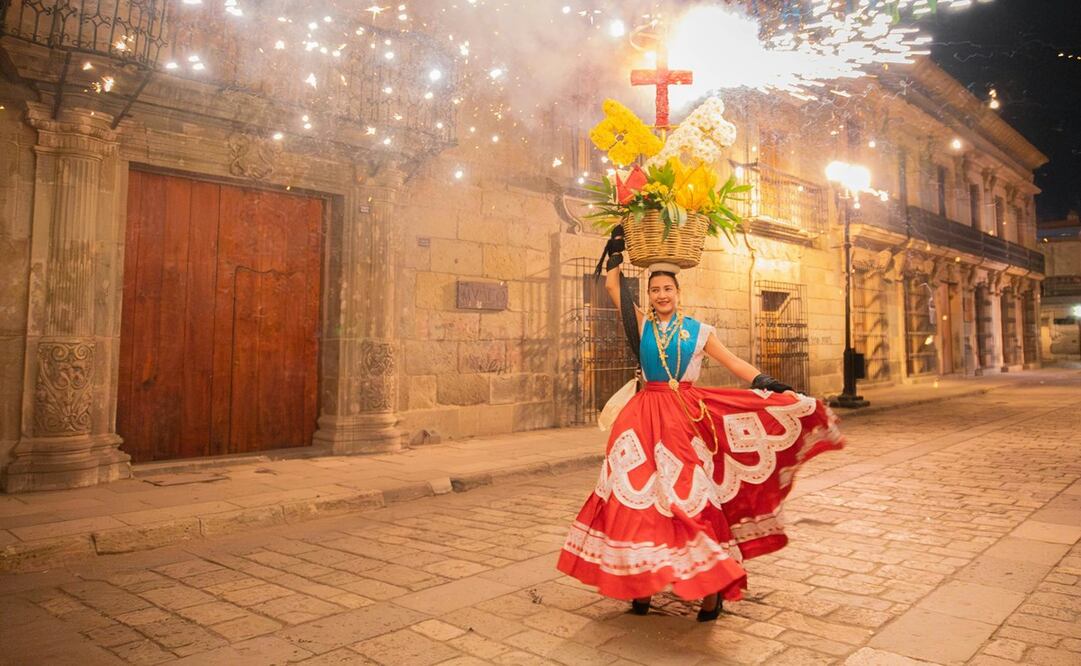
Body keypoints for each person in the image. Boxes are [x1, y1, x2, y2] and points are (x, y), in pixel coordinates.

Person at [557, 228, 844, 621]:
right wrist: (615, 250)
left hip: (686, 420)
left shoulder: (698, 331)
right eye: (655, 289)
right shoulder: (639, 325)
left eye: (666, 289)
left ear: (677, 293)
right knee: (633, 495)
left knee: (689, 498)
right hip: (641, 418)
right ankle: (641, 581)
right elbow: (611, 285)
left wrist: (765, 382)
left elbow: (733, 363)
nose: (660, 294)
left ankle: (711, 589)